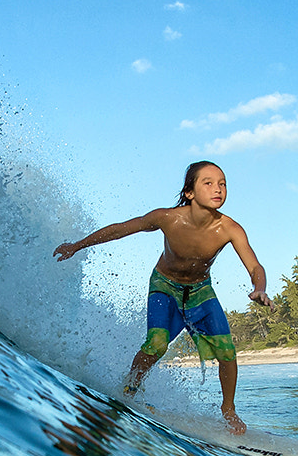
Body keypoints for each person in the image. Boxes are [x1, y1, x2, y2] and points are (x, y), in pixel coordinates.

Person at [53, 161, 271, 434]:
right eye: (209, 183)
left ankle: (228, 409)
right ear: (189, 193)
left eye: (223, 183)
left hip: (200, 292)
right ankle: (130, 388)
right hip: (164, 287)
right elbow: (123, 228)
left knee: (227, 352)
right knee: (155, 344)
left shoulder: (229, 229)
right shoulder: (168, 218)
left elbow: (254, 266)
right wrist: (78, 245)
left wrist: (259, 287)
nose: (218, 189)